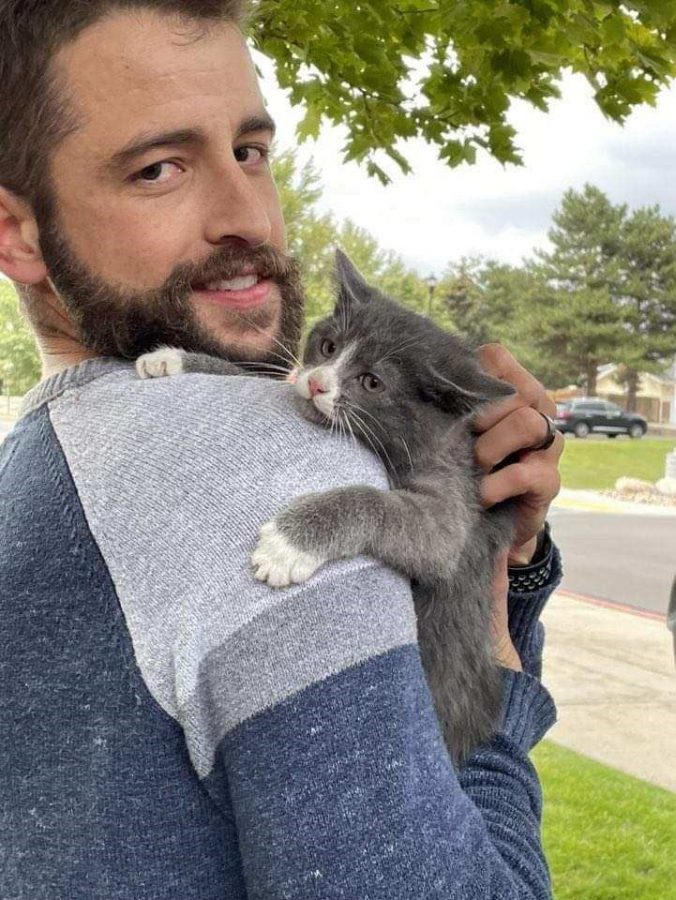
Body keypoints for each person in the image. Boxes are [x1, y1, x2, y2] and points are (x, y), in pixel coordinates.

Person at [0, 2, 564, 897]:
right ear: (16, 232)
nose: (248, 217)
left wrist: (506, 552)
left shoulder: (32, 463)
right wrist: (498, 671)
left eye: (251, 151)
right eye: (159, 168)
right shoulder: (277, 464)